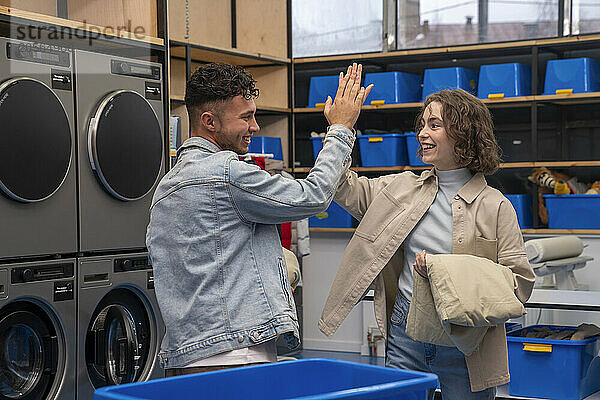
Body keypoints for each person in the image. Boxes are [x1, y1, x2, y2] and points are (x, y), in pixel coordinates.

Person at [146, 62, 372, 376]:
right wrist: (341, 130)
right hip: (236, 355)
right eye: (246, 117)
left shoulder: (167, 187)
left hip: (189, 355)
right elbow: (314, 196)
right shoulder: (227, 174)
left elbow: (211, 258)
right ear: (209, 122)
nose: (255, 126)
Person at [319, 89, 536, 400]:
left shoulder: (495, 206)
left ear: (465, 134)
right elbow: (339, 186)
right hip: (405, 328)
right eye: (421, 125)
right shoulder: (401, 188)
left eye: (434, 125)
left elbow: (520, 284)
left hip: (466, 339)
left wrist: (444, 269)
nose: (422, 133)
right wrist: (340, 129)